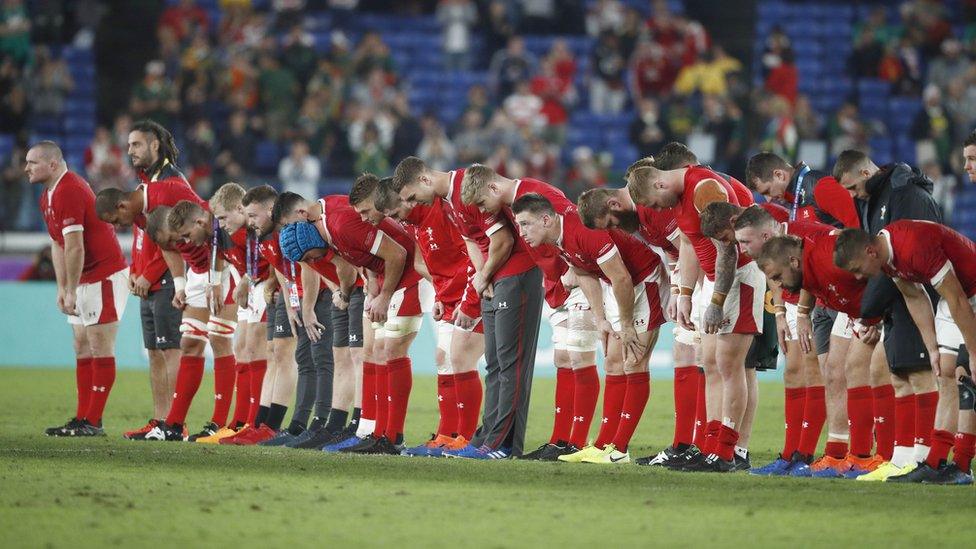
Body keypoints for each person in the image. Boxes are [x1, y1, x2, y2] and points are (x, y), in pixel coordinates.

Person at [392, 157, 543, 458]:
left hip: (515, 273)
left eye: (410, 197)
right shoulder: (449, 199)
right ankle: (484, 438)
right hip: (494, 278)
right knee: (497, 363)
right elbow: (473, 242)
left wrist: (481, 279)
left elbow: (501, 241)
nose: (410, 205)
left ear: (424, 180)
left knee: (508, 363)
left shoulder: (466, 189)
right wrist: (482, 280)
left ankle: (500, 444)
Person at [626, 162, 765, 472]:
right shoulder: (681, 196)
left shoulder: (704, 189)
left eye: (652, 202)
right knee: (712, 363)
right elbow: (689, 243)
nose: (655, 209)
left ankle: (728, 452)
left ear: (660, 185)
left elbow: (728, 247)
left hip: (738, 279)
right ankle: (713, 445)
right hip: (717, 282)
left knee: (730, 366)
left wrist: (715, 300)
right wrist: (685, 292)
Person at [513, 193, 669, 464]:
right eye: (519, 225)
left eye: (526, 224)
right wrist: (601, 320)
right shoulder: (559, 238)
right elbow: (585, 273)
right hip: (616, 287)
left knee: (634, 363)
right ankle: (602, 445)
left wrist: (628, 324)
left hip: (644, 282)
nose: (522, 232)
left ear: (546, 219)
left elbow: (620, 275)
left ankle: (619, 449)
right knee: (612, 363)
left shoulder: (583, 231)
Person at [459, 166, 598, 462]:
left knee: (579, 358)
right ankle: (561, 441)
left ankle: (578, 441)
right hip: (556, 284)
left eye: (483, 203)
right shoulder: (512, 204)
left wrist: (574, 267)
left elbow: (577, 222)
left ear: (494, 189)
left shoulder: (538, 194)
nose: (484, 211)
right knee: (563, 359)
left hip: (578, 281)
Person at [279, 174, 423, 455]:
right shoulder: (326, 223)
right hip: (385, 282)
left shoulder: (340, 223)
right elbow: (364, 256)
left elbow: (395, 254)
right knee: (374, 352)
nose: (314, 264)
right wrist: (371, 281)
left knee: (389, 351)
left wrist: (382, 294)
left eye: (311, 258)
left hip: (408, 279)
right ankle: (373, 431)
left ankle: (391, 437)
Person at [834, 223, 975, 485]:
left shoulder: (914, 247)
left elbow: (957, 297)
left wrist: (974, 352)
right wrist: (931, 347)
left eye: (856, 269)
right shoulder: (887, 258)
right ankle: (936, 463)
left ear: (870, 252)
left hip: (970, 292)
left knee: (964, 375)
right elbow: (914, 295)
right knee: (945, 373)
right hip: (954, 299)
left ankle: (964, 463)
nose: (857, 277)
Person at [833, 150, 942, 479]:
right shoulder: (870, 198)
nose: (852, 196)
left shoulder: (907, 195)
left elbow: (910, 255)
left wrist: (869, 311)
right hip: (896, 296)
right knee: (900, 376)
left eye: (853, 188)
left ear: (865, 173)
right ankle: (903, 458)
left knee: (921, 373)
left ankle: (926, 459)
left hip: (919, 292)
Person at [703, 203, 832, 476]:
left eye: (745, 242)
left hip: (823, 299)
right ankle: (790, 454)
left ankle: (806, 454)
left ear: (764, 236)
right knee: (794, 372)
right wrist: (782, 313)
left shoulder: (798, 238)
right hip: (797, 303)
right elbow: (775, 278)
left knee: (814, 372)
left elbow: (814, 270)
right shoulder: (769, 245)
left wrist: (805, 313)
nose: (742, 249)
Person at [756, 233, 888, 478]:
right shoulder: (809, 266)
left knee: (867, 370)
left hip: (878, 306)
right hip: (846, 309)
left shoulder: (829, 262)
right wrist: (803, 312)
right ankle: (839, 454)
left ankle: (872, 455)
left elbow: (869, 269)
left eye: (777, 277)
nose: (779, 286)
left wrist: (875, 316)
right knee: (836, 371)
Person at [370, 181, 486, 457]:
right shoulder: (415, 223)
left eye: (396, 213)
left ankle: (466, 437)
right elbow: (427, 264)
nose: (396, 220)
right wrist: (438, 294)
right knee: (443, 358)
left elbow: (473, 256)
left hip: (471, 295)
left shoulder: (444, 211)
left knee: (460, 359)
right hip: (447, 297)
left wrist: (464, 295)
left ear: (407, 198)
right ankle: (447, 434)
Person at [31, 141, 128, 437]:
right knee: (81, 345)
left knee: (100, 345)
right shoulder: (48, 195)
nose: (26, 168)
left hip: (104, 274)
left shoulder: (69, 188)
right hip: (83, 278)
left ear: (52, 164)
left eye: (32, 162)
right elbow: (58, 244)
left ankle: (93, 421)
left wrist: (70, 289)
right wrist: (63, 287)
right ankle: (83, 416)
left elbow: (75, 246)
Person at [274, 191, 364, 451]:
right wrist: (313, 303)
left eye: (289, 224)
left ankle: (359, 424)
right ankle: (334, 426)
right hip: (342, 292)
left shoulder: (333, 218)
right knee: (341, 358)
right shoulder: (307, 234)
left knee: (357, 358)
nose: (289, 231)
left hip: (358, 288)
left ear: (301, 214)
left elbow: (344, 263)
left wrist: (342, 292)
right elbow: (315, 265)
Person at [219, 185, 297, 445]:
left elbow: (292, 266)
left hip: (291, 294)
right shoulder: (262, 233)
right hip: (273, 290)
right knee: (273, 353)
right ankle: (258, 423)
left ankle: (271, 425)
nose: (250, 222)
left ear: (270, 210)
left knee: (282, 355)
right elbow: (277, 266)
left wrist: (295, 302)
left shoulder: (280, 231)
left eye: (252, 215)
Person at [202, 182, 271, 443]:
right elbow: (216, 255)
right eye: (217, 218)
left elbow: (262, 262)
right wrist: (215, 282)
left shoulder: (255, 230)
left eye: (223, 217)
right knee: (241, 348)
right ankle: (239, 421)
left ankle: (255, 421)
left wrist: (245, 280)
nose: (220, 223)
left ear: (240, 210)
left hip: (264, 286)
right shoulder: (223, 232)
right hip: (250, 287)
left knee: (254, 348)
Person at [744, 151, 860, 228]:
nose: (768, 199)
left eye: (767, 191)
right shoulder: (795, 201)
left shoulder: (818, 186)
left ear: (779, 175)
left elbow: (860, 225)